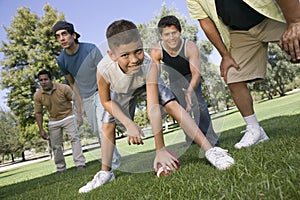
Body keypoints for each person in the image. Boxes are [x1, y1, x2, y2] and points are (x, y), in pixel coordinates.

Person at [78, 19, 234, 193]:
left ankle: (211, 151)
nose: (134, 60)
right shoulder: (103, 69)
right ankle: (105, 172)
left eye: (138, 51)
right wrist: (129, 124)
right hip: (122, 91)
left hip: (146, 83)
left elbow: (152, 107)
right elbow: (106, 101)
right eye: (125, 55)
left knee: (172, 104)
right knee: (107, 124)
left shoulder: (148, 64)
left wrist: (160, 149)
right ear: (112, 55)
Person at [185, 0, 300, 149]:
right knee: (233, 76)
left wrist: (295, 22)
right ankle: (255, 130)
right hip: (240, 32)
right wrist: (225, 55)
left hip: (271, 16)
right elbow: (205, 22)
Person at [52, 21, 121, 169]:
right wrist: (80, 104)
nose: (61, 39)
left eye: (64, 34)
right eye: (58, 37)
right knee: (97, 130)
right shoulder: (61, 60)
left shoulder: (90, 49)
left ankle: (112, 164)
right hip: (85, 97)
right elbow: (72, 83)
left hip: (100, 91)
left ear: (74, 35)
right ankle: (114, 158)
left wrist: (109, 92)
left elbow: (104, 70)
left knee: (103, 126)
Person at [151, 15, 219, 147]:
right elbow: (155, 76)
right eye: (167, 34)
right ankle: (191, 140)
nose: (171, 38)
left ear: (180, 32)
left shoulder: (190, 47)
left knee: (199, 105)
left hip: (191, 77)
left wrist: (189, 91)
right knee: (181, 110)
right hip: (174, 80)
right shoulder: (156, 51)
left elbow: (196, 74)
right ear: (161, 36)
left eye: (174, 33)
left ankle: (211, 138)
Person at [34, 70, 86, 172]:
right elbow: (38, 113)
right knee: (55, 145)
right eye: (41, 80)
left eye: (45, 79)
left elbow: (75, 100)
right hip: (53, 120)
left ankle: (80, 164)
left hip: (68, 116)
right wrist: (41, 129)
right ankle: (60, 168)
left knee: (74, 138)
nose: (43, 82)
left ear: (50, 79)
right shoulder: (38, 95)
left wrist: (79, 115)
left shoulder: (63, 88)